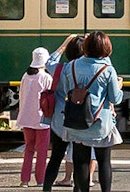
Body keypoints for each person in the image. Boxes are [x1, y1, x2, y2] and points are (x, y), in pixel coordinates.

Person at [57, 31, 124, 192]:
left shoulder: (70, 66)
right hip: (100, 124)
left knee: (80, 161)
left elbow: (68, 91)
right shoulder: (107, 70)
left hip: (76, 122)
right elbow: (115, 99)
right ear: (106, 48)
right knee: (104, 162)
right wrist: (120, 87)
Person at [43, 35, 86, 192]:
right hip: (80, 118)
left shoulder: (60, 68)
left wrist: (64, 43)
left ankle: (47, 189)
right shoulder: (85, 70)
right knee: (79, 158)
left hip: (59, 118)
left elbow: (48, 62)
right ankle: (78, 189)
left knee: (55, 157)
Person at [18, 47, 53, 188]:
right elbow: (50, 99)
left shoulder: (25, 76)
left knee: (29, 149)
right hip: (42, 119)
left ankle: (24, 180)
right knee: (42, 151)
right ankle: (40, 180)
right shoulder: (46, 77)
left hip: (26, 118)